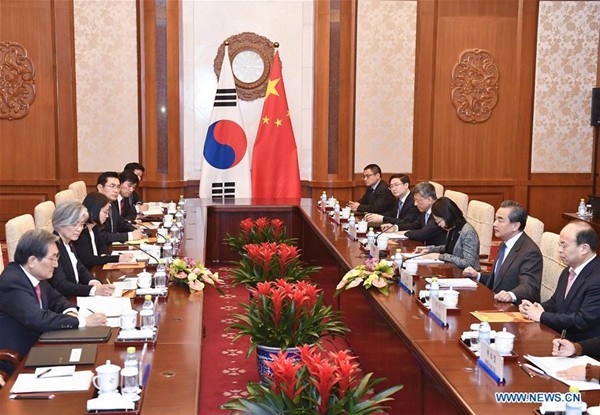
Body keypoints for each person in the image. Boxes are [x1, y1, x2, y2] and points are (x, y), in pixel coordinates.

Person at [0, 230, 107, 375]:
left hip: (42, 343)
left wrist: (70, 311)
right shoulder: (13, 282)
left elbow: (57, 300)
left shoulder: (34, 274)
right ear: (32, 261)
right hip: (21, 357)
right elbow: (37, 318)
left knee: (94, 358)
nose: (56, 265)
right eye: (52, 259)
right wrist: (81, 321)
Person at [519, 221, 600, 342]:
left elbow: (582, 320)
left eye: (564, 245)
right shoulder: (568, 271)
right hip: (559, 339)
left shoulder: (597, 278)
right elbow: (556, 302)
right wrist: (536, 307)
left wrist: (541, 316)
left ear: (584, 248)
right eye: (559, 244)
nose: (559, 250)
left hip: (583, 349)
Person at [463, 200, 542, 304]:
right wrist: (478, 275)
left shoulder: (530, 252)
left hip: (515, 310)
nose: (494, 224)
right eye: (495, 219)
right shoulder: (505, 243)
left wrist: (510, 295)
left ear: (515, 226)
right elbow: (499, 278)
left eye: (500, 220)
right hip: (496, 303)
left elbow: (529, 287)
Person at [48, 202, 115, 297]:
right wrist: (93, 290)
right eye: (75, 224)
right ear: (60, 223)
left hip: (75, 295)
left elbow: (79, 267)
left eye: (81, 224)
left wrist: (92, 281)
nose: (79, 229)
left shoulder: (68, 242)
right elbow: (61, 285)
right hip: (65, 301)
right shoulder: (53, 248)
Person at [414, 196, 480, 269]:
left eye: (439, 221)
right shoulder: (453, 227)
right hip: (453, 270)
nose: (439, 225)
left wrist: (440, 256)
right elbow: (451, 248)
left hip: (466, 275)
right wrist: (429, 249)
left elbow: (468, 263)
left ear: (447, 216)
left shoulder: (468, 232)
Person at [73, 192, 134, 269]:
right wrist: (118, 258)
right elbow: (89, 260)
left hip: (97, 269)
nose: (107, 216)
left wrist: (104, 255)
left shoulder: (95, 227)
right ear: (94, 210)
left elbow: (102, 245)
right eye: (105, 212)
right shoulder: (81, 232)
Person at [390, 182, 447, 246]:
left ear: (429, 200)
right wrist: (396, 227)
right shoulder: (425, 211)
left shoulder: (439, 212)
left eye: (417, 200)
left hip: (438, 251)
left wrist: (405, 233)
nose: (415, 204)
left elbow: (423, 234)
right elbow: (414, 226)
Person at [96, 171, 144, 243]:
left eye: (118, 187)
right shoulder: (95, 206)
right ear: (100, 187)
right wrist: (129, 236)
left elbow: (120, 222)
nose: (116, 190)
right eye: (112, 186)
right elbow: (101, 236)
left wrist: (137, 231)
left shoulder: (110, 203)